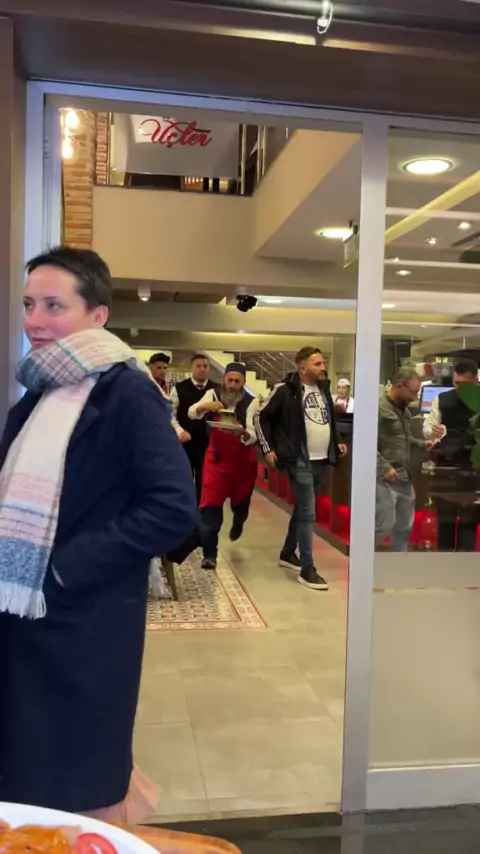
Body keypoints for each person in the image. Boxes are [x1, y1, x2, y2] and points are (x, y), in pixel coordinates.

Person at [0, 246, 196, 819]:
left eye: (54, 305)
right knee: (27, 777)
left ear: (98, 315)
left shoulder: (126, 393)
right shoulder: (39, 393)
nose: (35, 320)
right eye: (29, 304)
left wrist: (63, 570)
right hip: (24, 623)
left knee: (76, 784)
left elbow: (171, 508)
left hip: (83, 624)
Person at [255, 346, 347, 591]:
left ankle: (288, 552)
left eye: (323, 363)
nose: (323, 368)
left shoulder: (323, 389)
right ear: (303, 367)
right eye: (318, 364)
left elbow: (329, 419)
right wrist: (267, 448)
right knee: (308, 513)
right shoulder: (285, 390)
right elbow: (260, 417)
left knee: (303, 509)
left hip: (321, 459)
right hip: (299, 460)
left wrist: (336, 441)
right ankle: (307, 569)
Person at [188, 362, 257, 570]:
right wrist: (204, 407)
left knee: (241, 503)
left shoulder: (252, 402)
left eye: (237, 381)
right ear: (224, 379)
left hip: (242, 464)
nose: (233, 385)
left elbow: (254, 433)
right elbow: (192, 412)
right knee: (210, 507)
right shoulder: (212, 394)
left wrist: (243, 433)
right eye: (230, 380)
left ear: (244, 382)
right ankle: (210, 554)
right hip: (216, 461)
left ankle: (239, 520)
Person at [423, 359, 479, 551]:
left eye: (464, 385)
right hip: (446, 467)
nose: (458, 388)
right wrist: (433, 431)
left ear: (475, 381)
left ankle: (464, 564)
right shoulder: (442, 399)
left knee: (469, 521)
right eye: (456, 383)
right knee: (445, 520)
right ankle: (444, 563)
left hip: (473, 468)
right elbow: (427, 429)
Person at [376, 368, 432, 551]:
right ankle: (362, 562)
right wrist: (384, 467)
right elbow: (365, 442)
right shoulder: (378, 408)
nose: (415, 397)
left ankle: (397, 562)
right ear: (399, 386)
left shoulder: (405, 411)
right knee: (383, 525)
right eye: (413, 392)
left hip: (404, 476)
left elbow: (405, 438)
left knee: (404, 527)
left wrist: (423, 444)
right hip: (384, 478)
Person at [170, 354, 219, 504]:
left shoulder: (216, 389)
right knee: (183, 479)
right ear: (192, 368)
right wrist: (179, 431)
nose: (202, 369)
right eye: (198, 366)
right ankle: (183, 509)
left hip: (208, 443)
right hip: (185, 442)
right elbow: (169, 414)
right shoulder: (179, 388)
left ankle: (200, 511)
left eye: (205, 366)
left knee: (204, 481)